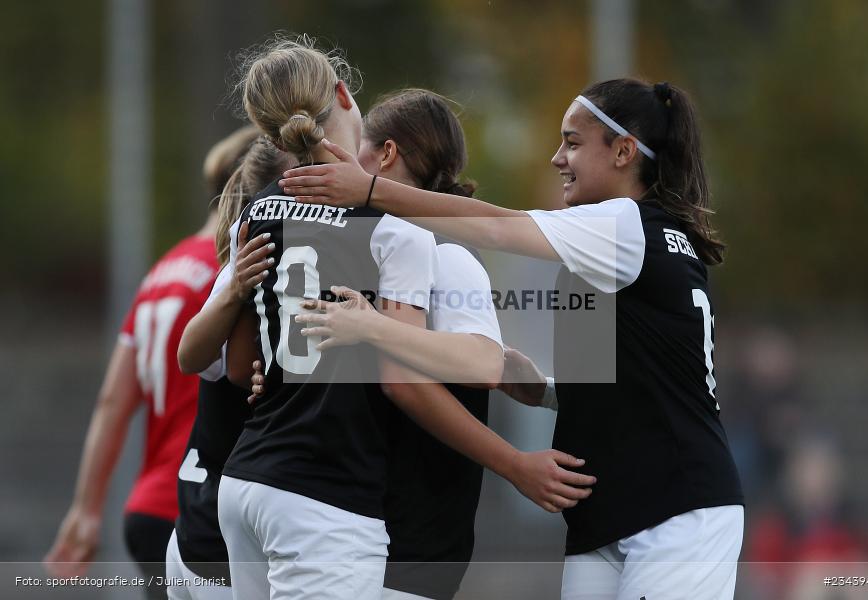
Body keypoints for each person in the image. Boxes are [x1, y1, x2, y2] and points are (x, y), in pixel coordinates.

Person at [281, 78, 745, 600]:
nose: (556, 158)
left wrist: (369, 192)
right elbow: (640, 380)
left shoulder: (625, 224)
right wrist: (542, 389)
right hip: (610, 510)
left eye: (572, 142)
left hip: (674, 508)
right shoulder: (622, 242)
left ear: (623, 151)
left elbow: (496, 226)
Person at [216, 36, 594, 600]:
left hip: (294, 491)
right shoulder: (394, 235)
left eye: (363, 148)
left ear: (386, 155)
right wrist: (515, 461)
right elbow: (436, 374)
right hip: (353, 511)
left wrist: (549, 394)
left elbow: (483, 362)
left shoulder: (282, 215)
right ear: (341, 97)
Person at [44, 126, 258, 599]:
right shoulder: (232, 276)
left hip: (146, 507)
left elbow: (112, 401)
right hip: (199, 503)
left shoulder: (161, 272)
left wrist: (86, 508)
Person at [165, 135, 290, 600]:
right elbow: (200, 359)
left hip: (210, 523)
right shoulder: (247, 265)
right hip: (212, 532)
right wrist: (237, 288)